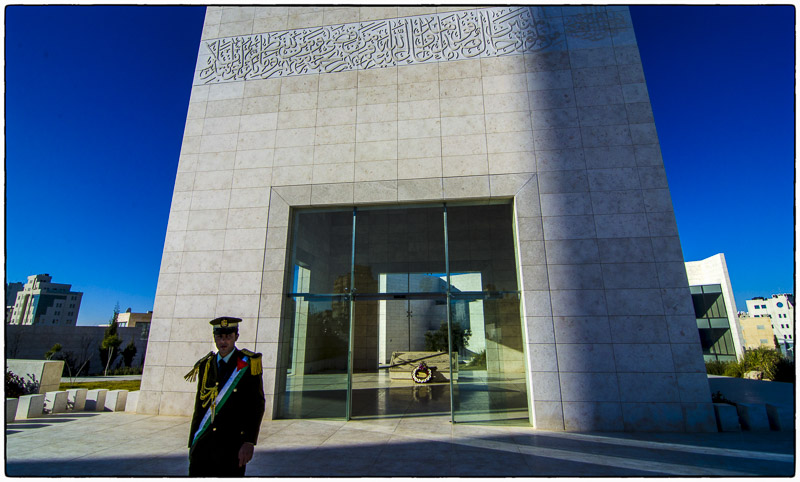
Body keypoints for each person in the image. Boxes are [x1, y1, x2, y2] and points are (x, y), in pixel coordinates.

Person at [185, 316, 265, 476]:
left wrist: (249, 441)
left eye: (228, 336)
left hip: (232, 444)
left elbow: (256, 405)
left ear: (236, 337)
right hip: (204, 444)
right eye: (219, 336)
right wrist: (192, 443)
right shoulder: (205, 366)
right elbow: (199, 407)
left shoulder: (248, 364)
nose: (223, 341)